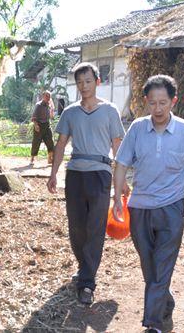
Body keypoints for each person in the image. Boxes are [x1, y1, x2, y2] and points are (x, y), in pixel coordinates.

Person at [112, 74, 184, 333]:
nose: (158, 108)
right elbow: (121, 163)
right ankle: (165, 303)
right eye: (152, 103)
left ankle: (153, 324)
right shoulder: (137, 129)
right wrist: (117, 197)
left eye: (163, 102)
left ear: (173, 101)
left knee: (163, 264)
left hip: (171, 208)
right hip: (140, 207)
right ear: (146, 101)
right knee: (150, 266)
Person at [46, 62, 125, 306]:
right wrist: (53, 173)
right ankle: (84, 267)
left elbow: (117, 146)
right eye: (79, 82)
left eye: (88, 81)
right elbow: (60, 144)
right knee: (76, 227)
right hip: (75, 174)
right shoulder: (70, 112)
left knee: (95, 227)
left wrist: (121, 180)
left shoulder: (110, 111)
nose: (84, 86)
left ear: (97, 82)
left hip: (100, 173)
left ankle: (87, 283)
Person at [30, 90, 55, 166]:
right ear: (43, 97)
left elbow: (51, 117)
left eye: (49, 96)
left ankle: (50, 159)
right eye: (47, 96)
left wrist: (52, 109)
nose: (48, 98)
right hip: (39, 125)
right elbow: (34, 116)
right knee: (36, 142)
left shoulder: (49, 105)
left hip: (47, 125)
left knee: (50, 141)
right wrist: (36, 125)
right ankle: (32, 158)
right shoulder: (39, 105)